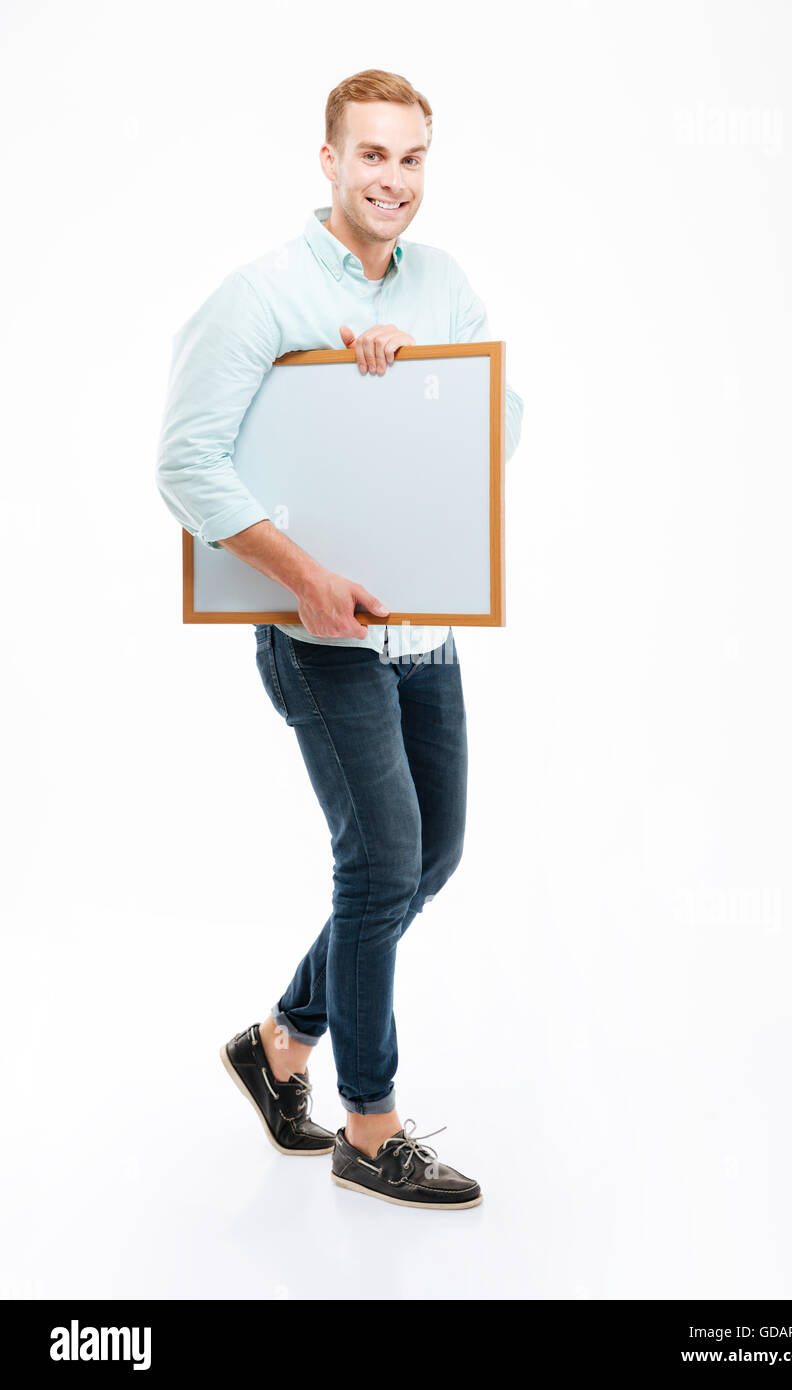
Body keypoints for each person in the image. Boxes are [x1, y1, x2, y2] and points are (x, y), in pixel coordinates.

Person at [156, 68, 524, 1210]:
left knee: (430, 856)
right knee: (377, 868)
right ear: (328, 160)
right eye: (373, 156)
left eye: (412, 159)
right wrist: (306, 577)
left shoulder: (443, 285)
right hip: (315, 637)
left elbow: (493, 423)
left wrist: (405, 386)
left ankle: (276, 1043)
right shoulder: (260, 294)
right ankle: (369, 1124)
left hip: (423, 628)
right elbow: (184, 464)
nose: (393, 181)